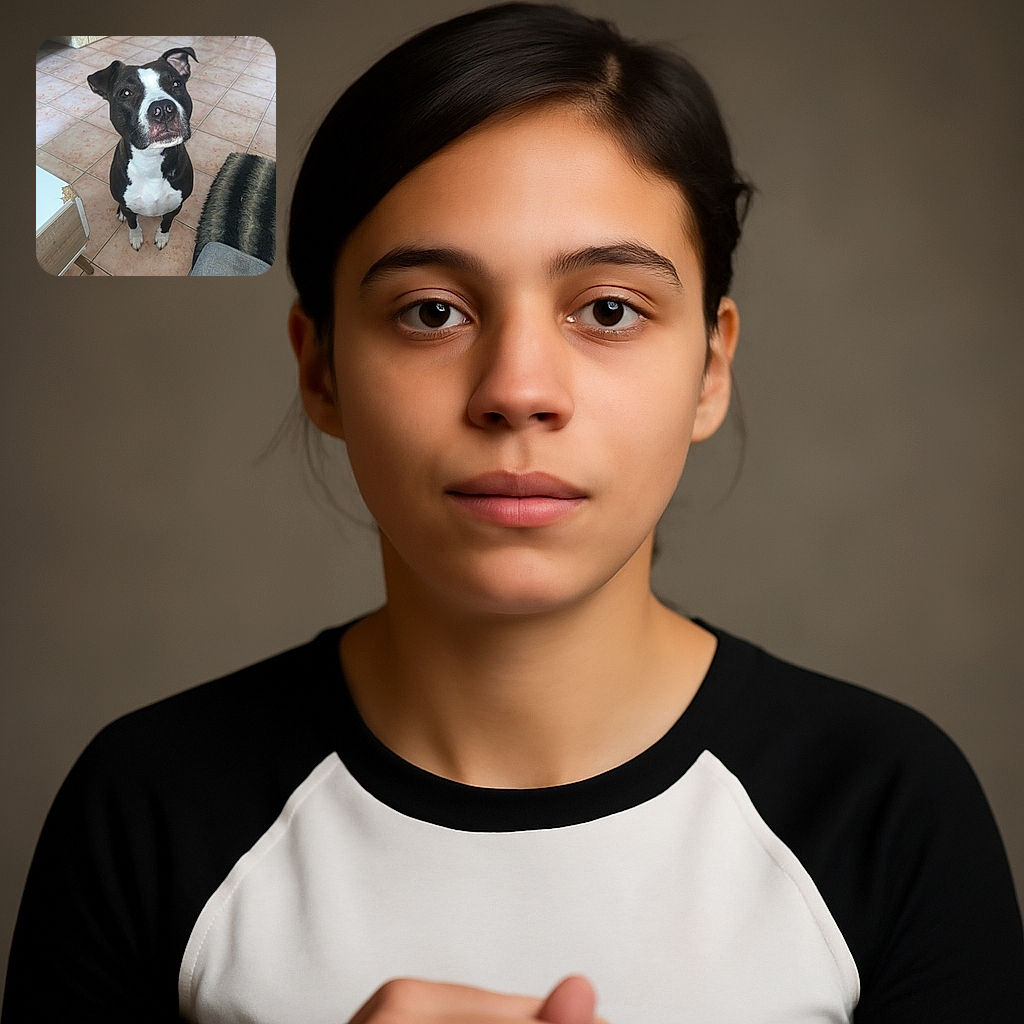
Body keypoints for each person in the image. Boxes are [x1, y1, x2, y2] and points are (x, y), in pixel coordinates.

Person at [4, 4, 1023, 1022]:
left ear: (711, 365)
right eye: (431, 311)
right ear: (319, 369)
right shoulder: (147, 808)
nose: (519, 388)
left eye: (609, 310)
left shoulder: (887, 806)